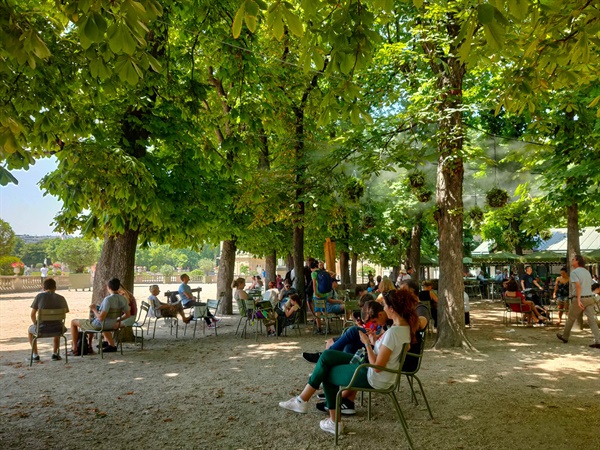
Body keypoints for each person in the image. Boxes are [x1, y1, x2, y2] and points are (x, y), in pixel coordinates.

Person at [278, 289, 419, 436]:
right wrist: (374, 341)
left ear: (392, 309)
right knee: (327, 356)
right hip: (379, 373)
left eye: (384, 305)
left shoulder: (393, 333)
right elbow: (389, 353)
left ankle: (332, 421)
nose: (383, 308)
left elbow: (377, 366)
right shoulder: (404, 328)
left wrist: (367, 343)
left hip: (374, 375)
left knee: (327, 372)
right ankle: (302, 400)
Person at [70, 278, 130, 354]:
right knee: (93, 321)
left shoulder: (108, 299)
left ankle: (75, 348)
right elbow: (128, 315)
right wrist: (116, 320)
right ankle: (96, 346)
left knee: (73, 322)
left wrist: (94, 309)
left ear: (108, 287)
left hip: (100, 325)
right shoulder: (123, 299)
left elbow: (101, 318)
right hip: (112, 325)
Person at [557, 255, 600, 349]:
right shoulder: (587, 272)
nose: (572, 260)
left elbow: (578, 286)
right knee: (591, 320)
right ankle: (598, 340)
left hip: (579, 298)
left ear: (577, 261)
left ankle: (565, 336)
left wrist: (579, 299)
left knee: (571, 318)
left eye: (573, 259)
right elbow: (591, 285)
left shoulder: (574, 272)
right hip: (589, 297)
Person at [28, 278, 69, 362]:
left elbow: (32, 315)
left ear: (43, 287)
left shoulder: (39, 296)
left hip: (42, 328)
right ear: (55, 287)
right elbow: (65, 312)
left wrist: (36, 324)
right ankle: (55, 353)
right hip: (58, 329)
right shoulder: (61, 298)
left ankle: (35, 355)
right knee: (57, 323)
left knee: (30, 330)